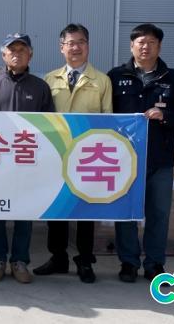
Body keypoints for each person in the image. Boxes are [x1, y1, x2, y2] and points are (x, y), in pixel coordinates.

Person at [107, 23, 174, 283]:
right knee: (126, 214)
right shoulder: (115, 77)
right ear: (131, 46)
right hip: (124, 160)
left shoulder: (173, 78)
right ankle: (128, 263)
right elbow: (102, 113)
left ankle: (155, 264)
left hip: (160, 160)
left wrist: (165, 115)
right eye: (140, 42)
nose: (145, 47)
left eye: (151, 42)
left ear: (159, 46)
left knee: (158, 213)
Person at [33, 23, 112, 284]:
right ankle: (58, 257)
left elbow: (109, 119)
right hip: (56, 155)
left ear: (88, 46)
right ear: (61, 48)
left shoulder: (102, 81)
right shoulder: (49, 79)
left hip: (89, 156)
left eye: (81, 42)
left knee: (85, 211)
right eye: (70, 43)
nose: (75, 47)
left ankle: (85, 260)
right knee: (57, 208)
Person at [0, 33, 55, 284]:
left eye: (22, 50)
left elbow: (50, 127)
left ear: (30, 55)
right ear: (3, 55)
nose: (17, 54)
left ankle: (20, 261)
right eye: (12, 50)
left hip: (28, 161)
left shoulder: (40, 87)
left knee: (24, 213)